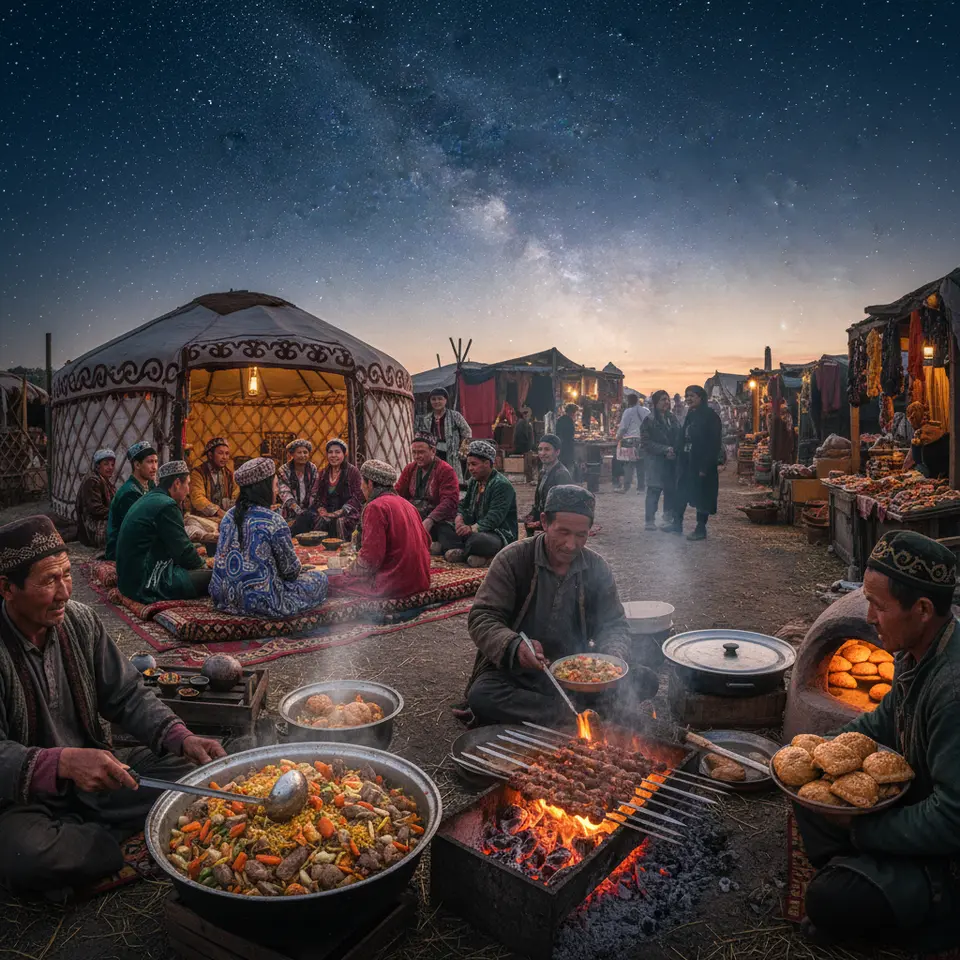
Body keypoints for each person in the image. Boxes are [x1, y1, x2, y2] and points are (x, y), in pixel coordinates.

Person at [0, 515, 226, 897]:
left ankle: (95, 828)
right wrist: (63, 764)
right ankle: (105, 838)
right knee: (28, 855)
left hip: (100, 779)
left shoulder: (80, 622)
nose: (64, 592)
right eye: (48, 581)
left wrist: (180, 737)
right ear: (6, 588)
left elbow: (127, 694)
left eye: (67, 575)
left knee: (200, 770)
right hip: (23, 802)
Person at [794, 531, 960, 953]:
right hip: (914, 813)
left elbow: (951, 819)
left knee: (829, 899)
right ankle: (865, 876)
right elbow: (881, 723)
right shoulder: (914, 651)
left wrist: (865, 830)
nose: (868, 616)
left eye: (878, 606)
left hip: (948, 857)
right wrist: (821, 752)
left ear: (922, 609)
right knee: (810, 793)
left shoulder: (953, 690)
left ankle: (932, 914)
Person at [463, 485, 659, 726]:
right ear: (544, 522)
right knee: (483, 696)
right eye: (563, 532)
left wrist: (611, 657)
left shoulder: (597, 568)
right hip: (519, 672)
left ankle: (568, 712)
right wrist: (516, 646)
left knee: (646, 679)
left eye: (581, 535)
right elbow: (483, 616)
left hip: (578, 675)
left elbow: (614, 624)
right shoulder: (513, 559)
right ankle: (579, 714)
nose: (570, 544)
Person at [211, 457, 328, 618]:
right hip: (263, 601)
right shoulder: (273, 520)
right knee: (319, 578)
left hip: (223, 597)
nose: (277, 490)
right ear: (264, 488)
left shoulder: (228, 516)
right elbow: (291, 571)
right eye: (275, 485)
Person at [116, 461, 212, 604]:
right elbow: (184, 553)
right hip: (146, 582)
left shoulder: (151, 497)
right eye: (188, 484)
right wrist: (205, 565)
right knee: (217, 576)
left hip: (127, 580)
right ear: (177, 483)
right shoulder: (167, 505)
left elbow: (174, 541)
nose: (189, 490)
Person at [338, 460, 431, 598]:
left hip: (394, 584)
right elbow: (427, 542)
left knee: (332, 582)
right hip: (421, 580)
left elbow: (371, 558)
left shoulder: (376, 507)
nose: (361, 487)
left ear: (369, 483)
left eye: (361, 483)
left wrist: (348, 571)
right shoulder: (407, 504)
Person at [436, 440, 517, 568]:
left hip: (497, 533)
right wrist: (459, 518)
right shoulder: (474, 481)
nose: (470, 469)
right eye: (468, 465)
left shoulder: (502, 485)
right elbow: (464, 504)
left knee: (478, 541)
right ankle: (470, 554)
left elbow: (494, 518)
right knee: (442, 526)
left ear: (487, 463)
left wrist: (471, 529)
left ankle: (463, 551)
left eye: (474, 464)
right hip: (473, 528)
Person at [671, 385, 722, 541]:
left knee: (702, 495)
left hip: (701, 463)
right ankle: (676, 524)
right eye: (687, 396)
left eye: (692, 395)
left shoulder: (711, 416)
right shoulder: (691, 414)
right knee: (681, 491)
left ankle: (701, 528)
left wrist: (704, 467)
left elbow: (714, 444)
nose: (688, 399)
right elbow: (683, 436)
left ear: (701, 397)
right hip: (687, 461)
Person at [394, 434, 460, 549]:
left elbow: (449, 501)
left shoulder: (445, 470)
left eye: (421, 452)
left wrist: (431, 519)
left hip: (438, 520)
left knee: (447, 538)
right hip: (414, 516)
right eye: (414, 452)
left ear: (433, 450)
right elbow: (398, 492)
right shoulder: (410, 469)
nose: (416, 456)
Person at [104, 440, 158, 561]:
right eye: (149, 462)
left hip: (140, 541)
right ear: (137, 465)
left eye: (155, 461)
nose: (154, 467)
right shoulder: (129, 493)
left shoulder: (150, 485)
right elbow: (137, 530)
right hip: (122, 548)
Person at [641, 390, 682, 532]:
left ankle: (668, 518)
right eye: (663, 400)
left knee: (670, 489)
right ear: (655, 403)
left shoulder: (672, 418)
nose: (666, 402)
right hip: (655, 461)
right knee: (654, 489)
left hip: (671, 461)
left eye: (667, 400)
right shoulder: (649, 420)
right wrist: (665, 449)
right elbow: (646, 443)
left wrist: (675, 449)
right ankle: (650, 520)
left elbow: (679, 435)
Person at [416, 388, 472, 484]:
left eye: (440, 399)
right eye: (433, 399)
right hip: (434, 452)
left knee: (452, 477)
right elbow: (423, 435)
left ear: (445, 400)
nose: (437, 402)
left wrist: (463, 447)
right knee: (435, 477)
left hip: (452, 452)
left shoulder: (455, 416)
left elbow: (467, 431)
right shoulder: (427, 419)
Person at [315, 439, 363, 541]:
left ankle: (344, 550)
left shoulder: (353, 472)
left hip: (348, 512)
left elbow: (357, 496)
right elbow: (317, 495)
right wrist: (321, 509)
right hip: (328, 510)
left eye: (337, 452)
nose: (333, 455)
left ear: (344, 454)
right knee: (318, 520)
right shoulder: (323, 473)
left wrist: (339, 512)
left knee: (340, 522)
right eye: (330, 452)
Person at [524, 434, 572, 533]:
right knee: (528, 523)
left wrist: (541, 523)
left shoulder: (561, 474)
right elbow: (539, 501)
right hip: (544, 515)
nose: (542, 453)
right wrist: (533, 514)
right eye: (540, 449)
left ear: (557, 452)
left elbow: (562, 508)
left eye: (547, 449)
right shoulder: (543, 472)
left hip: (556, 520)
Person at [277, 438, 321, 535]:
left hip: (309, 510)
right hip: (290, 512)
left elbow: (315, 489)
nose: (303, 455)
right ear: (292, 454)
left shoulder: (312, 468)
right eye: (299, 452)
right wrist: (297, 510)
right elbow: (284, 492)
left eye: (305, 452)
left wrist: (308, 510)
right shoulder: (284, 470)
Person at [75, 449, 117, 549]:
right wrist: (117, 514)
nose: (110, 468)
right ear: (98, 466)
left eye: (112, 464)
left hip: (100, 521)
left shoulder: (104, 480)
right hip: (92, 527)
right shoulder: (92, 481)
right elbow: (96, 510)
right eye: (106, 464)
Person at [189, 438, 235, 521]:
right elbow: (197, 498)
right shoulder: (198, 473)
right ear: (210, 455)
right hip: (202, 519)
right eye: (220, 453)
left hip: (224, 518)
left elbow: (236, 494)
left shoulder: (229, 474)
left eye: (227, 454)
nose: (224, 457)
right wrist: (218, 511)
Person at [904, 401, 950, 479]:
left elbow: (908, 462)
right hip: (943, 474)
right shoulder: (938, 430)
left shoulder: (919, 436)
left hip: (931, 476)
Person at [615, 394, 650, 494]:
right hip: (643, 440)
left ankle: (626, 487)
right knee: (641, 465)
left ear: (629, 401)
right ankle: (641, 488)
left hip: (630, 440)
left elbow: (623, 427)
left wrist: (618, 437)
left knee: (628, 464)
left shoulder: (628, 411)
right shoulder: (646, 411)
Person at [513, 408, 536, 482]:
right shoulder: (523, 423)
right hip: (524, 447)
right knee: (528, 464)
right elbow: (526, 436)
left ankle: (529, 477)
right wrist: (529, 447)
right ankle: (529, 478)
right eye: (525, 414)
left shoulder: (520, 422)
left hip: (522, 446)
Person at [555, 404, 578, 472]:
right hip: (567, 447)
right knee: (569, 466)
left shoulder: (560, 419)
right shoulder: (569, 421)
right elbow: (570, 435)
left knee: (561, 466)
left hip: (560, 447)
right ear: (572, 413)